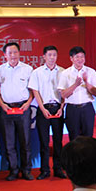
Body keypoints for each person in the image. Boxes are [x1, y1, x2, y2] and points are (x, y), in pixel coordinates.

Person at [0, 42, 34, 181]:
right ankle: (13, 170)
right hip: (6, 109)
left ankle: (26, 170)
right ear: (5, 55)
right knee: (9, 143)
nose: (13, 55)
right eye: (10, 53)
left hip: (23, 108)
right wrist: (2, 105)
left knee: (25, 142)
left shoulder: (28, 69)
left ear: (19, 53)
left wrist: (28, 103)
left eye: (15, 52)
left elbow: (33, 90)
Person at [28, 45, 66, 180]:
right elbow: (35, 91)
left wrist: (62, 107)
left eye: (54, 55)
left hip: (57, 108)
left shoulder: (62, 72)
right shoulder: (37, 72)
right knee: (44, 141)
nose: (52, 58)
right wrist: (42, 108)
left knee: (58, 140)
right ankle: (44, 170)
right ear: (44, 56)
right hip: (43, 109)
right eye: (49, 55)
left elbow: (64, 92)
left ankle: (58, 168)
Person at [57, 46, 96, 140]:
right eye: (77, 57)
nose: (80, 59)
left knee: (88, 138)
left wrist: (87, 82)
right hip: (72, 109)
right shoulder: (65, 73)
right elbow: (63, 94)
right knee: (74, 138)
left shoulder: (91, 72)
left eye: (82, 57)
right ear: (71, 58)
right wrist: (75, 85)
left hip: (87, 108)